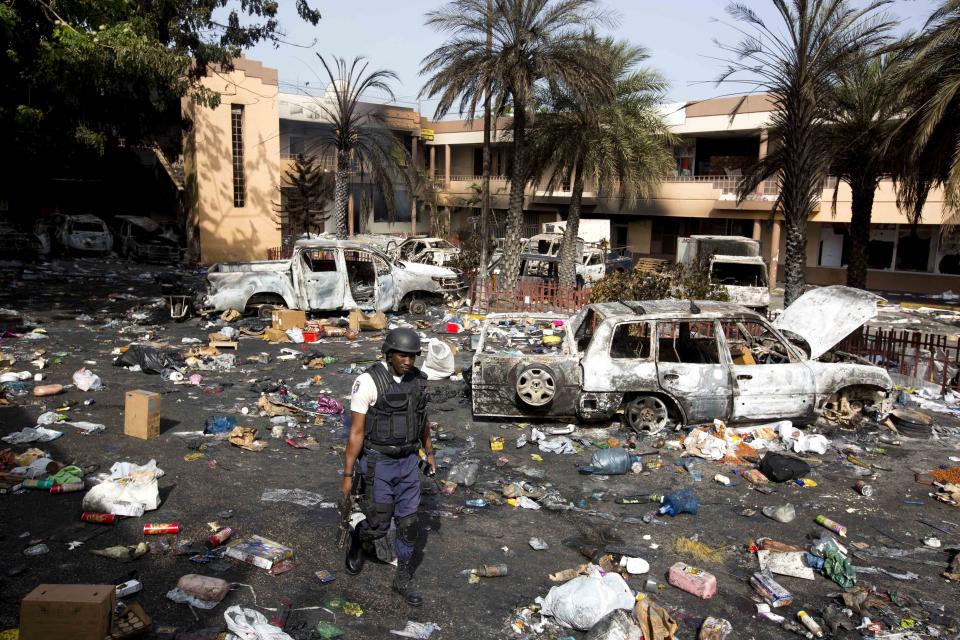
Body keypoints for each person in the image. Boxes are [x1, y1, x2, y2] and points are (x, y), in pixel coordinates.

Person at [341, 327, 435, 607]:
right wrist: (347, 474)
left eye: (412, 356)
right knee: (379, 525)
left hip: (408, 461)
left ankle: (402, 580)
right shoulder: (368, 382)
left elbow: (423, 420)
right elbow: (356, 433)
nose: (407, 361)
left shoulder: (418, 381)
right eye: (402, 355)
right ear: (389, 353)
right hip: (378, 463)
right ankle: (359, 538)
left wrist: (430, 454)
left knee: (408, 525)